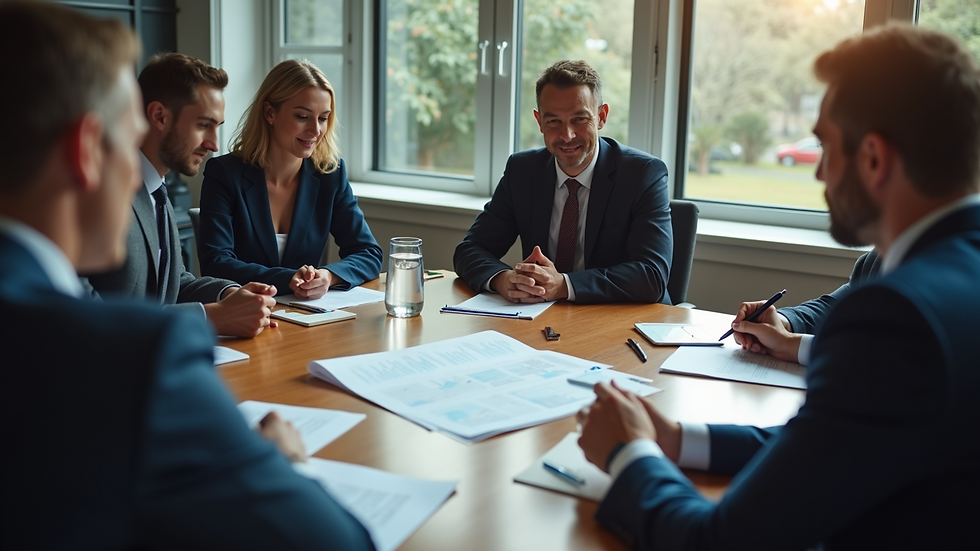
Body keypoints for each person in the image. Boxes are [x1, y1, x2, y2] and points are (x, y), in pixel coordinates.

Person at [577, 23, 980, 550]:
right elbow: (836, 443)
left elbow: (719, 541)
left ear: (875, 159)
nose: (820, 177)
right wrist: (677, 439)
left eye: (826, 148)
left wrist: (629, 452)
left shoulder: (898, 315)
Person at [0, 3, 374, 549]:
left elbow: (175, 278)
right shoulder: (137, 355)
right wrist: (289, 462)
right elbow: (336, 541)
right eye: (123, 140)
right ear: (86, 150)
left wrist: (228, 292)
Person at [83, 52, 276, 339]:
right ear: (159, 116)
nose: (213, 144)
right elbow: (83, 313)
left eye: (217, 127)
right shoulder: (97, 191)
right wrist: (209, 318)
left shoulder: (157, 190)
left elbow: (172, 285)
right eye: (203, 125)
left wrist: (230, 293)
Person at [453, 60, 672, 305]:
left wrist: (564, 285)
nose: (567, 135)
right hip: (544, 321)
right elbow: (470, 250)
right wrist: (504, 280)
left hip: (623, 323)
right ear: (539, 122)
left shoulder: (642, 174)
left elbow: (651, 276)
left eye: (580, 119)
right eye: (553, 121)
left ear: (601, 117)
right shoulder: (523, 171)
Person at [198, 59, 382, 299]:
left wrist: (328, 276)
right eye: (303, 116)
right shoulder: (224, 173)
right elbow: (216, 263)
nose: (316, 130)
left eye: (323, 118)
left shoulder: (330, 174)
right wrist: (288, 278)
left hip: (308, 319)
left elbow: (368, 253)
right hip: (244, 317)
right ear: (269, 112)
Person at [733, 248, 881, 363]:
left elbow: (890, 355)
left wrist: (790, 345)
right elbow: (834, 308)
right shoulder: (875, 258)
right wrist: (783, 322)